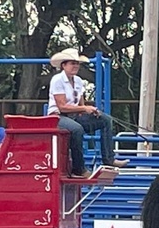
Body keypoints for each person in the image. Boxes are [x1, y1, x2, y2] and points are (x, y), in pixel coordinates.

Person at [47, 48, 129, 177]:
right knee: (77, 129)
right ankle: (78, 168)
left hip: (74, 116)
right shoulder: (57, 80)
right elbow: (62, 107)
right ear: (64, 65)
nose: (76, 66)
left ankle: (109, 159)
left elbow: (80, 104)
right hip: (57, 117)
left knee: (105, 120)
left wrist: (89, 111)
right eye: (72, 63)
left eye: (77, 63)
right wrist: (85, 109)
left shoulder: (78, 81)